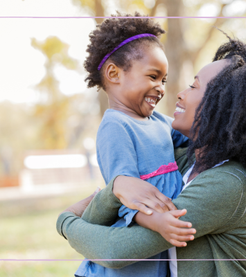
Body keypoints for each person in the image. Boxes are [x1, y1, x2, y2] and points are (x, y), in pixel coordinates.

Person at [57, 35, 246, 276]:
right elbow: (107, 213)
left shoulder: (229, 182)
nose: (178, 93)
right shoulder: (184, 161)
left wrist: (66, 222)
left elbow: (115, 251)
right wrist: (116, 188)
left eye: (194, 87)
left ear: (224, 107)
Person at [74, 12, 191, 277]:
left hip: (158, 246)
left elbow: (199, 137)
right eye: (152, 76)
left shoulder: (159, 121)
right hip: (131, 258)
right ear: (114, 73)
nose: (161, 87)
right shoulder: (115, 127)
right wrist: (157, 221)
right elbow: (126, 193)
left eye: (163, 79)